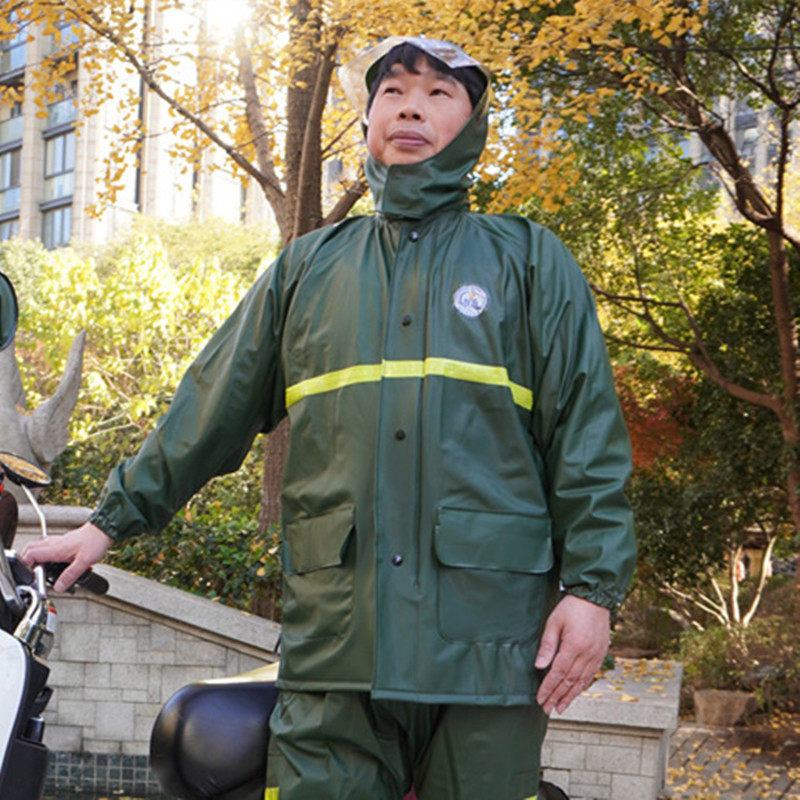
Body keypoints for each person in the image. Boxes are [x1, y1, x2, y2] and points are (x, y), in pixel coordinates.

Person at [23, 36, 636, 800]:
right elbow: (207, 408)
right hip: (337, 646)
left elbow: (587, 439)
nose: (410, 107)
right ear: (369, 120)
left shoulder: (530, 261)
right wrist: (108, 522)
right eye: (393, 92)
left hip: (490, 648)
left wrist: (593, 591)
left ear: (474, 124)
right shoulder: (305, 269)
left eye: (439, 93)